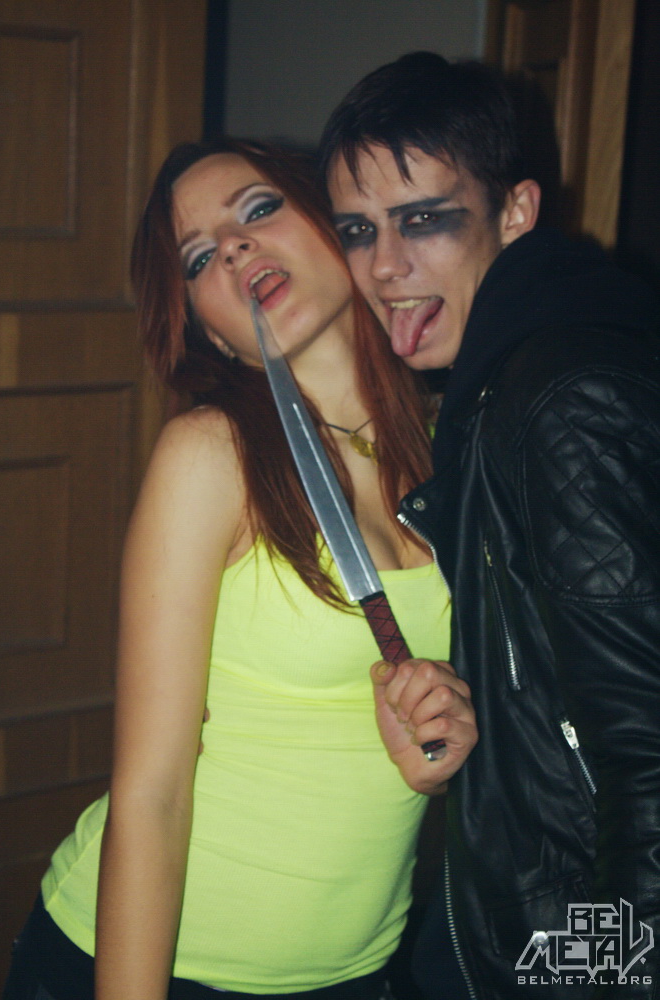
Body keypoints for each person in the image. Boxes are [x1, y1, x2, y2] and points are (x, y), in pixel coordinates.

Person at [3, 137, 477, 1000]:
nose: (231, 248)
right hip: (163, 966)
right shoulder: (210, 458)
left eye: (258, 210)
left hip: (357, 970)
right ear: (209, 331)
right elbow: (150, 793)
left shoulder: (452, 450)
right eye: (197, 258)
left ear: (337, 229)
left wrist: (441, 753)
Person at [319, 51, 660, 1000]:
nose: (384, 267)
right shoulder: (505, 375)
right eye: (358, 230)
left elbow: (650, 772)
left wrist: (586, 976)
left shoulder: (564, 396)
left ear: (515, 212)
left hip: (566, 945)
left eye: (424, 219)